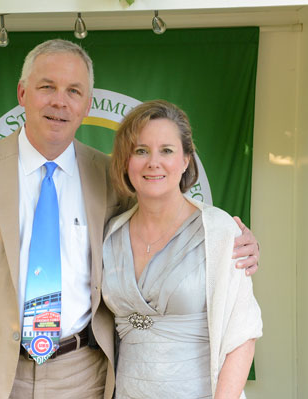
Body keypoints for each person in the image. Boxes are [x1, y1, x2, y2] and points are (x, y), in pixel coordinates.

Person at [0, 40, 261, 399]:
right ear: (22, 92)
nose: (59, 102)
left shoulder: (108, 175)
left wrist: (237, 242)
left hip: (84, 376)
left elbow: (168, 216)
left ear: (88, 104)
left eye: (74, 91)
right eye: (47, 87)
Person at [102, 100, 262, 399]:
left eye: (167, 150)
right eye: (140, 151)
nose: (153, 162)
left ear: (186, 159)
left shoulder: (219, 230)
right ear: (126, 160)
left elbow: (242, 335)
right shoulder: (111, 233)